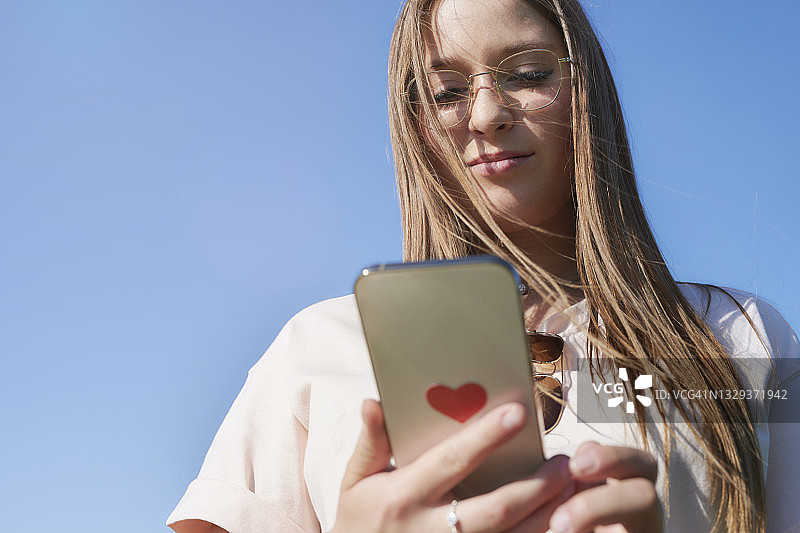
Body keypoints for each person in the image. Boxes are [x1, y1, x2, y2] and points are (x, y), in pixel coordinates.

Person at [167, 0, 800, 531]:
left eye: (526, 74)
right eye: (445, 91)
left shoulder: (738, 333)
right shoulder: (319, 346)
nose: (486, 113)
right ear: (415, 125)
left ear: (586, 90)